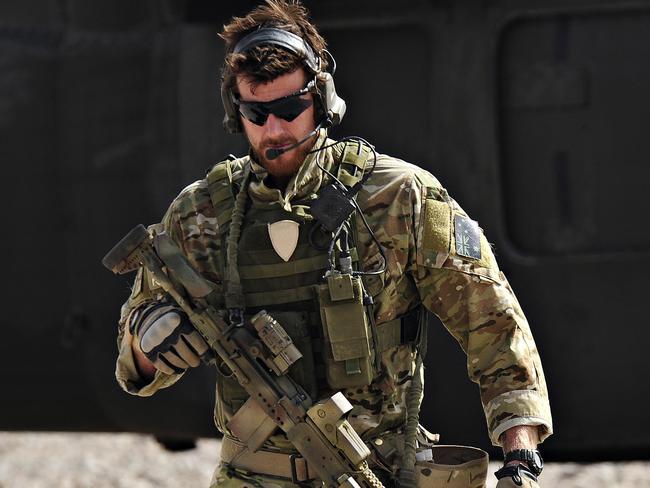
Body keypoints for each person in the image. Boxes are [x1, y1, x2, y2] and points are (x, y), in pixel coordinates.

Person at [113, 1, 552, 487]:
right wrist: (151, 340)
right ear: (234, 111)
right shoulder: (202, 216)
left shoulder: (397, 197)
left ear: (321, 97)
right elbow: (135, 363)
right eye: (256, 113)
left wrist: (519, 456)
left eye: (288, 108)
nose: (274, 129)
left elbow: (492, 323)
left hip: (376, 471)